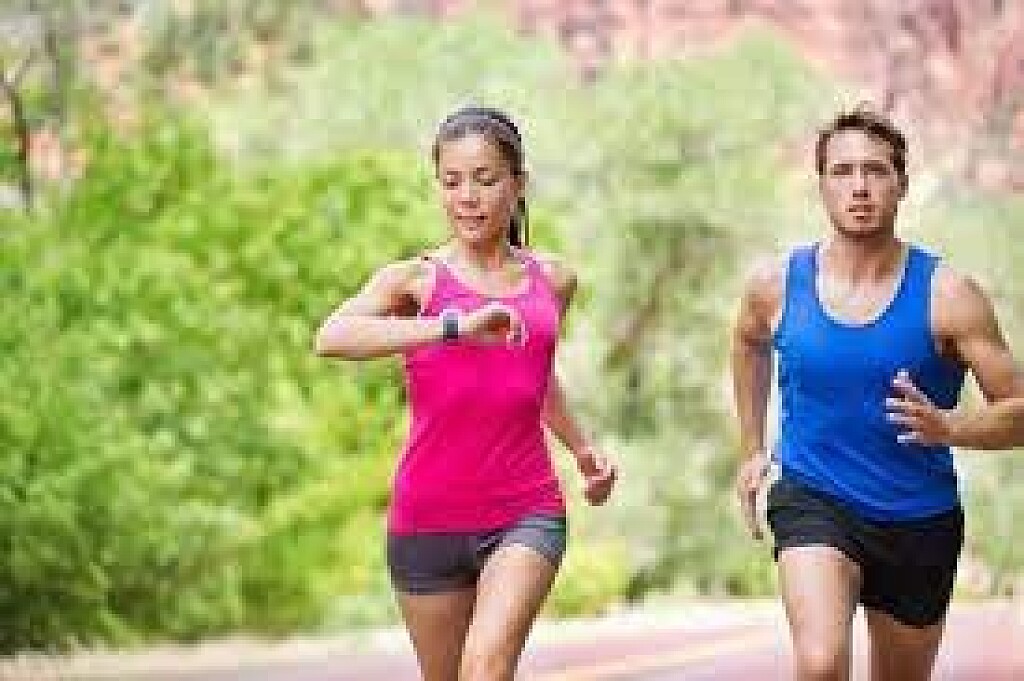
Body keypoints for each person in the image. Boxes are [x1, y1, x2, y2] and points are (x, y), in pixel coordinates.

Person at [315, 106, 616, 681]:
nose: (468, 198)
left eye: (485, 179)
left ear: (518, 184)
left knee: (485, 667)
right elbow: (331, 336)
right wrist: (452, 327)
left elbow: (532, 375)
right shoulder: (416, 281)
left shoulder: (553, 280)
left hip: (525, 509)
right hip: (427, 517)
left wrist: (582, 449)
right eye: (452, 182)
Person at [731, 106, 1024, 681]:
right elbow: (747, 342)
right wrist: (750, 448)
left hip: (918, 516)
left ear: (902, 184)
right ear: (821, 184)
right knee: (820, 663)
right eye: (842, 171)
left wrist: (951, 427)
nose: (859, 187)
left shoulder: (950, 296)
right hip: (813, 496)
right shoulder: (775, 286)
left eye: (876, 170)